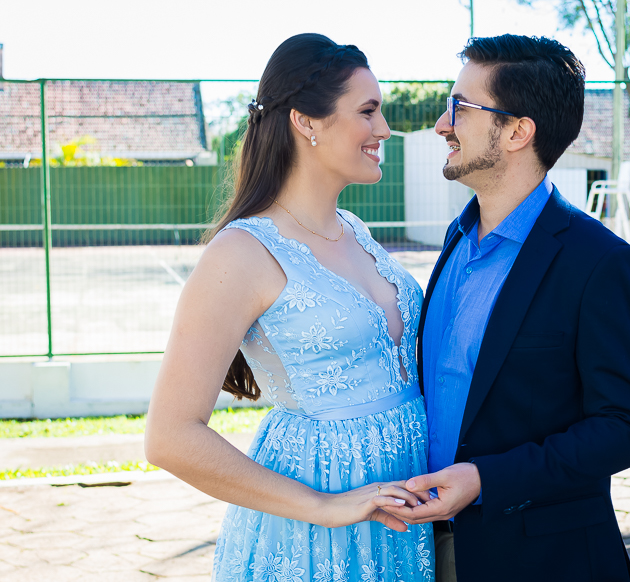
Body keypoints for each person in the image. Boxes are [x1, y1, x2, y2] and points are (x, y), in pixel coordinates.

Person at [144, 33, 434, 582]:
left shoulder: (356, 230)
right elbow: (170, 436)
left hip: (401, 517)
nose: (383, 129)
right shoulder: (241, 252)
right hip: (314, 526)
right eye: (368, 111)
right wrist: (322, 506)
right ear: (306, 121)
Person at [381, 35, 630, 581]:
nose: (441, 124)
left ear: (517, 131)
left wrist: (486, 479)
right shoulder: (457, 239)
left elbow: (627, 426)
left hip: (541, 559)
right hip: (425, 547)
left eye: (460, 107)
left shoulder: (601, 263)